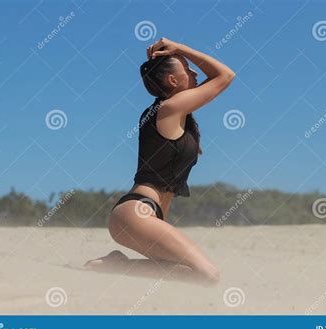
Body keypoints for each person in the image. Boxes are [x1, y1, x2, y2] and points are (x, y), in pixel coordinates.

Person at [85, 38, 235, 285]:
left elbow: (220, 77)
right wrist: (180, 48)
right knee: (209, 275)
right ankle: (118, 266)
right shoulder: (168, 108)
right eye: (187, 69)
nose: (195, 72)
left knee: (188, 273)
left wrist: (178, 53)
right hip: (137, 212)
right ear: (173, 81)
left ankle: (117, 264)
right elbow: (225, 76)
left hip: (149, 217)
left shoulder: (177, 114)